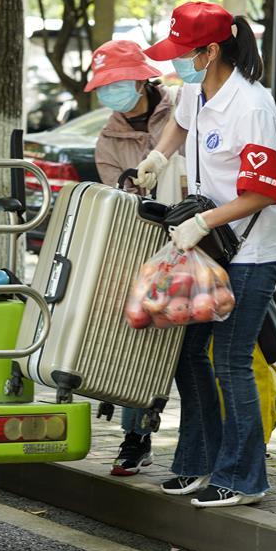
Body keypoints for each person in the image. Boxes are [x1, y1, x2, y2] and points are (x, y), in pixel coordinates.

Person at [135, 1, 276, 507]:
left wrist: (201, 221)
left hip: (252, 247)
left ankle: (245, 478)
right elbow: (179, 126)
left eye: (185, 52)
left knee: (230, 360)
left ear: (212, 50)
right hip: (210, 243)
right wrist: (157, 157)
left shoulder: (252, 106)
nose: (177, 61)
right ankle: (197, 463)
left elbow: (263, 193)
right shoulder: (194, 91)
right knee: (186, 354)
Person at [84, 39, 180, 477]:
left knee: (202, 354)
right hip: (141, 244)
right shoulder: (108, 139)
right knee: (140, 340)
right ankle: (136, 436)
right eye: (103, 86)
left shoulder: (181, 106)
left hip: (199, 235)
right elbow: (115, 200)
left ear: (142, 77)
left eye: (115, 82)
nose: (109, 93)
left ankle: (211, 440)